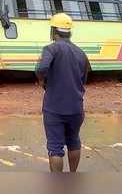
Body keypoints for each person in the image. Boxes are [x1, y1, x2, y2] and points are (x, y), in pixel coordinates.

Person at [36, 13, 90, 173]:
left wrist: (42, 81)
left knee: (55, 147)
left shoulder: (50, 49)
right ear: (70, 32)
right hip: (76, 107)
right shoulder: (81, 53)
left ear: (54, 31)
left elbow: (41, 68)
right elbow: (84, 78)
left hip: (55, 107)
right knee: (74, 141)